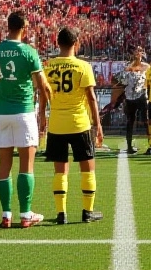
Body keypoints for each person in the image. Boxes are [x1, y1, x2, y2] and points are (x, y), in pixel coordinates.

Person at [0, 10, 50, 228]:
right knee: (27, 165)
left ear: (8, 26)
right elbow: (41, 85)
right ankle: (25, 214)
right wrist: (42, 113)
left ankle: (6, 215)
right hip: (23, 112)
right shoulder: (29, 52)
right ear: (24, 28)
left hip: (1, 113)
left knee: (4, 165)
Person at [42, 26, 104, 225]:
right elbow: (92, 98)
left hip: (57, 125)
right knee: (87, 168)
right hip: (79, 124)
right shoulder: (82, 66)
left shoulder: (48, 66)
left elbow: (42, 95)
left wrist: (41, 117)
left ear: (57, 43)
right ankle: (87, 211)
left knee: (60, 171)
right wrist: (98, 124)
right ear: (76, 43)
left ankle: (61, 213)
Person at [113, 46, 149, 155]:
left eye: (140, 51)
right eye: (136, 51)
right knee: (130, 121)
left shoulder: (147, 66)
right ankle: (129, 146)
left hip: (142, 96)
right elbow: (117, 79)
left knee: (145, 120)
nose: (138, 53)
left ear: (142, 54)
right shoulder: (128, 67)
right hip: (129, 97)